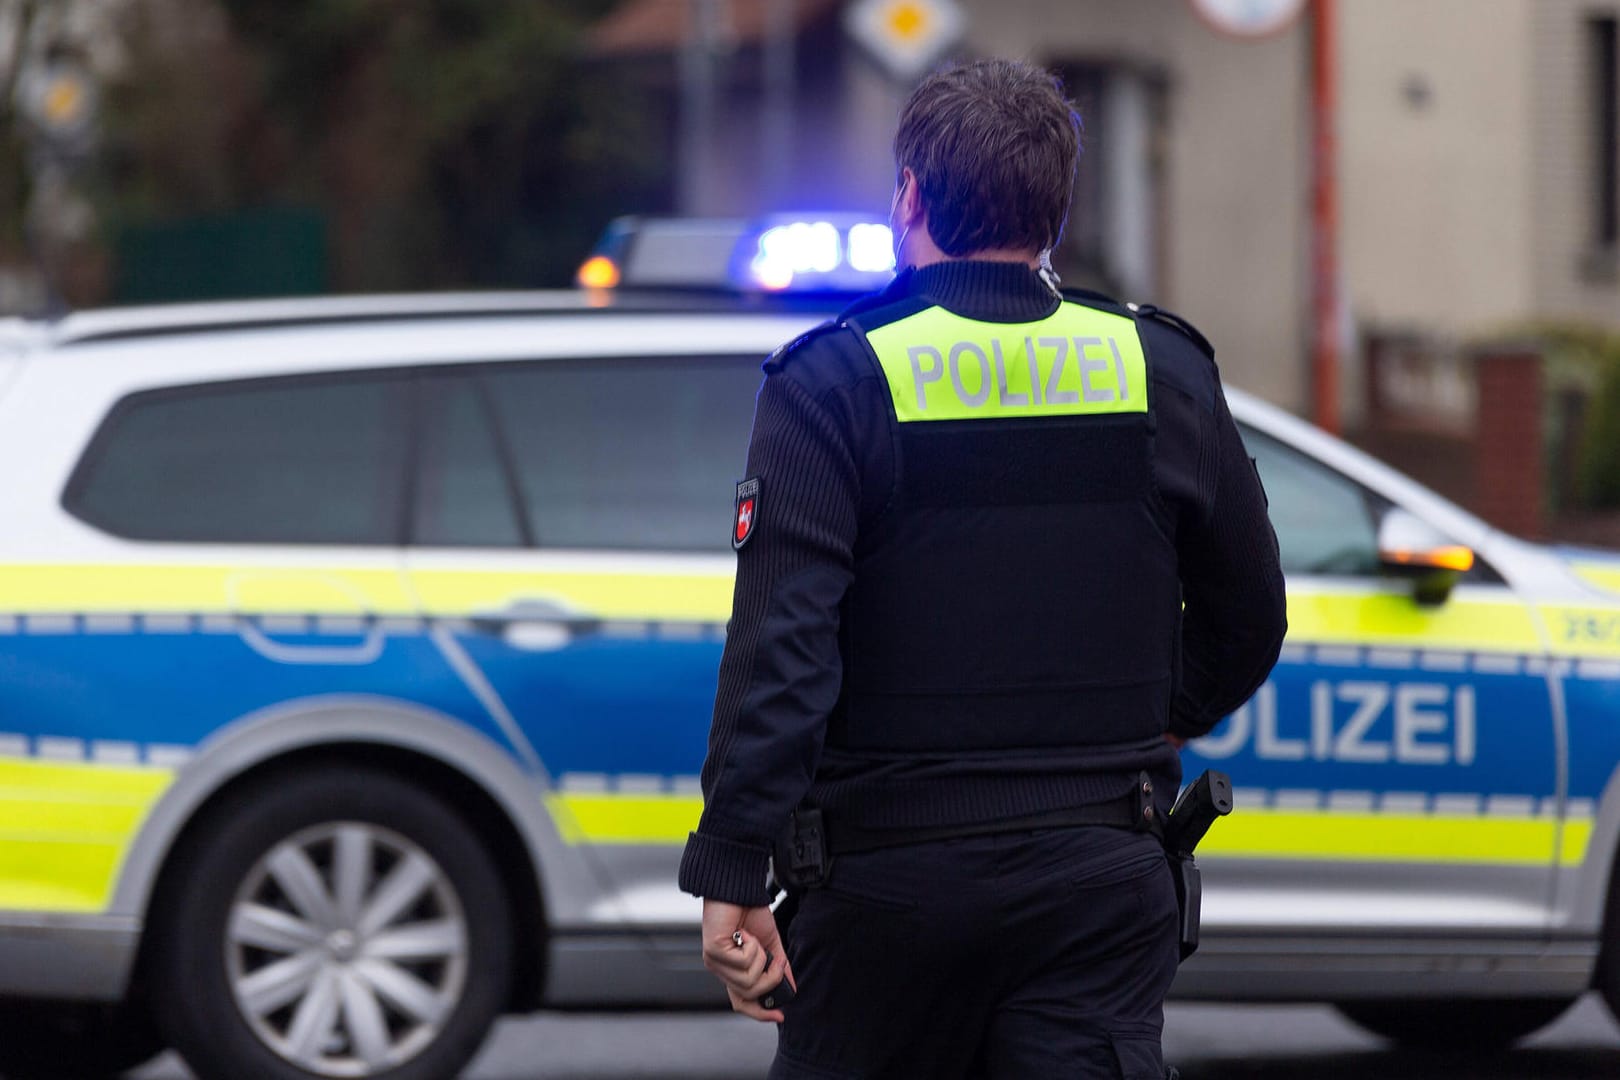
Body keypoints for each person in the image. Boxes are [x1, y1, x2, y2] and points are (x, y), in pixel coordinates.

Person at [678, 58, 1287, 1079]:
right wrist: (1158, 718)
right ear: (1059, 202)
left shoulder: (834, 381)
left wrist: (732, 861)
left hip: (887, 892)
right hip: (1101, 877)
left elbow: (787, 649)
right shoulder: (1161, 370)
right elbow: (1249, 614)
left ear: (909, 196)